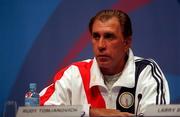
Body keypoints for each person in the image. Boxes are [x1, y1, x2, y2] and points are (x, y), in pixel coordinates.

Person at [39, 9, 170, 117]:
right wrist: (89, 112)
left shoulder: (146, 72)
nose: (101, 45)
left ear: (126, 43)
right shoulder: (74, 74)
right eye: (96, 36)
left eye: (109, 36)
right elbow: (37, 112)